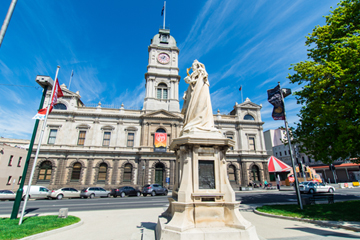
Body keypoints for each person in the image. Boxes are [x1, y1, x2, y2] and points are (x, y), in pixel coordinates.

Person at [180, 60, 221, 137]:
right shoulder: (194, 73)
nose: (192, 68)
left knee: (199, 106)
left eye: (193, 66)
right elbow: (193, 85)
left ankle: (199, 122)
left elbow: (200, 81)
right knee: (194, 108)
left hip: (200, 91)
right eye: (192, 67)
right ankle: (195, 122)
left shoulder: (200, 71)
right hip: (195, 93)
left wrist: (190, 81)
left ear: (197, 66)